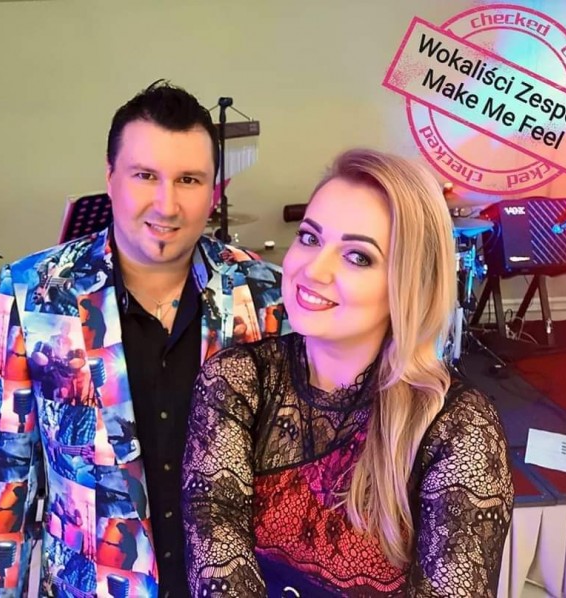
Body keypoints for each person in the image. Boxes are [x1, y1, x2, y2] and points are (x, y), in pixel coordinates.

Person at [0, 81, 289, 597]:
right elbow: (6, 473)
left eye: (189, 180)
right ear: (110, 178)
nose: (167, 204)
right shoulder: (34, 291)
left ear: (214, 191)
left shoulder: (267, 292)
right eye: (145, 176)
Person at [182, 148, 514, 596]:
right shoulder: (236, 381)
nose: (313, 269)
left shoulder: (457, 426)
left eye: (358, 257)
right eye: (310, 238)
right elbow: (215, 548)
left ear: (408, 283)